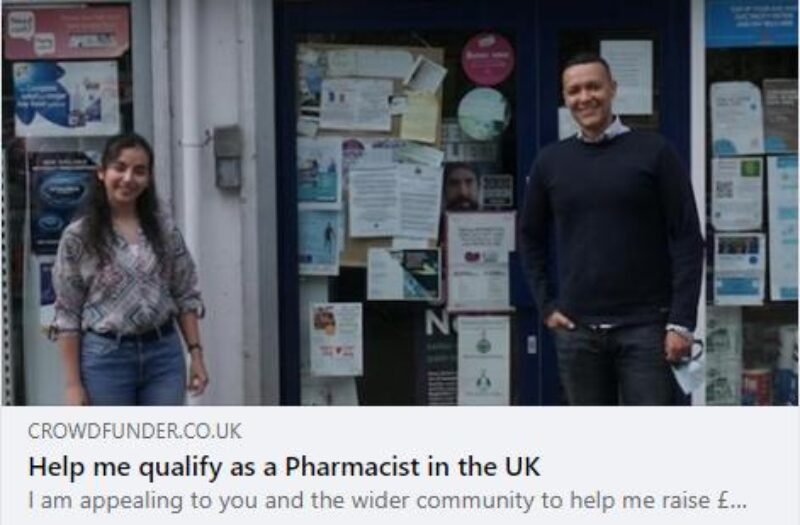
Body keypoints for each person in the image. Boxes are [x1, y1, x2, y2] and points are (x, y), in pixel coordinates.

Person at [520, 53, 703, 405]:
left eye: (593, 86)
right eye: (574, 90)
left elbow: (687, 238)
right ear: (565, 97)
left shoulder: (655, 152)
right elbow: (530, 237)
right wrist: (546, 305)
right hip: (577, 332)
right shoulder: (550, 162)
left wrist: (681, 323)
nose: (584, 97)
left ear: (613, 89)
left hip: (646, 330)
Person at [52, 132, 208, 405]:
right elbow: (67, 313)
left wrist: (196, 354)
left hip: (164, 358)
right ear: (102, 172)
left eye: (139, 171)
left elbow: (185, 293)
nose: (128, 178)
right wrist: (72, 385)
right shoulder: (79, 237)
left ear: (148, 180)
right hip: (106, 359)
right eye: (119, 168)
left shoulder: (164, 231)